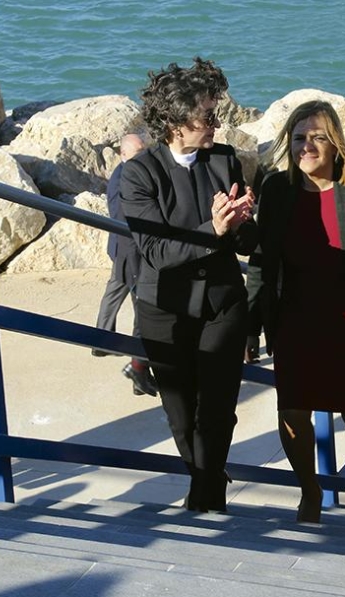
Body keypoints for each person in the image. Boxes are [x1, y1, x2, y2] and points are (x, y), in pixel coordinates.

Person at [246, 100, 345, 524]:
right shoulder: (276, 190)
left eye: (317, 137)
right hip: (294, 319)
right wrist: (250, 327)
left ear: (335, 142)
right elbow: (262, 261)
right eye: (299, 138)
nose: (307, 146)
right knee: (292, 410)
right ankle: (309, 490)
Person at [120, 57, 258, 513]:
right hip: (165, 308)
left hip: (222, 304)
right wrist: (213, 230)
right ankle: (206, 479)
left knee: (217, 410)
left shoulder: (224, 160)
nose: (217, 125)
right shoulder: (140, 173)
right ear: (177, 122)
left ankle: (206, 496)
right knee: (180, 415)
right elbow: (157, 252)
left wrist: (242, 221)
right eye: (208, 117)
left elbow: (246, 245)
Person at [94, 132, 158, 397]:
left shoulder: (128, 173)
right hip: (129, 252)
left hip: (125, 251)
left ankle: (102, 341)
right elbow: (127, 219)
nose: (143, 156)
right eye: (137, 153)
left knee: (117, 292)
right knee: (141, 307)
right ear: (122, 155)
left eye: (144, 151)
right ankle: (137, 365)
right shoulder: (124, 180)